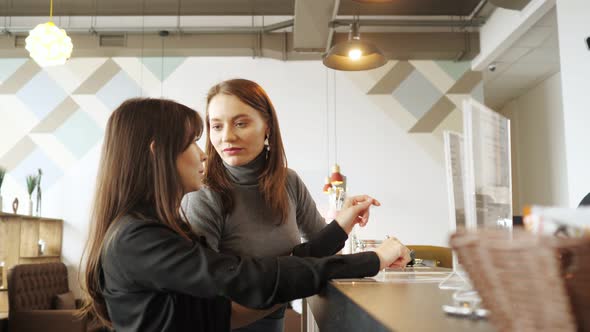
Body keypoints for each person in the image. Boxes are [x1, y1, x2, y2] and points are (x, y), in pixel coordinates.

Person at [79, 98, 411, 332]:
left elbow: (262, 272)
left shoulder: (157, 229)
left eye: (241, 123)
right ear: (157, 152)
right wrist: (372, 260)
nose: (204, 151)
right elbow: (244, 280)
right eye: (197, 139)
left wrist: (344, 229)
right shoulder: (139, 238)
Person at [183, 78, 368, 331]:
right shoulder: (204, 194)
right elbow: (204, 290)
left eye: (240, 123)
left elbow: (318, 248)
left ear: (267, 126)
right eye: (216, 126)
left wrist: (345, 219)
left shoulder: (288, 181)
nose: (227, 136)